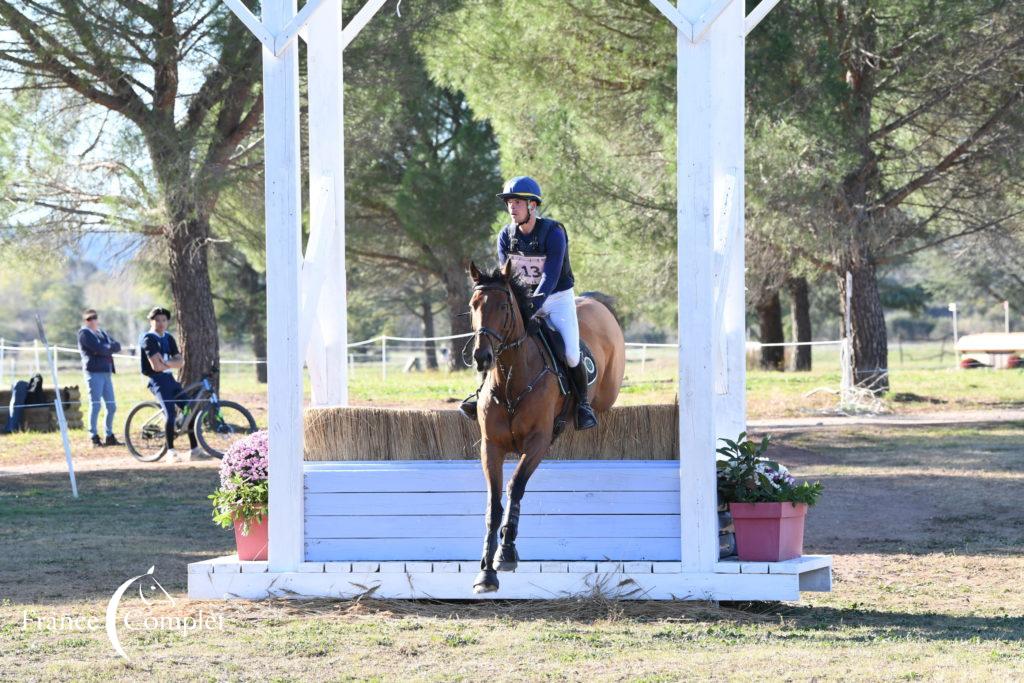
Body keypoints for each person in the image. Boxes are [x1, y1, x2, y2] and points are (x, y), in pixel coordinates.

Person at [460, 176, 598, 430]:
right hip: (523, 299)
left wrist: (537, 303)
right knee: (494, 340)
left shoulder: (554, 232)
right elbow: (506, 277)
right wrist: (518, 304)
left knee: (569, 352)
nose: (512, 208)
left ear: (532, 206)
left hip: (556, 298)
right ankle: (480, 393)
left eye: (517, 203)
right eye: (509, 203)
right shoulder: (506, 235)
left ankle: (583, 405)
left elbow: (551, 274)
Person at [139, 307, 207, 461]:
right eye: (157, 320)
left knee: (190, 410)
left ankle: (194, 450)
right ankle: (171, 451)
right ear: (151, 321)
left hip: (170, 379)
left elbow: (181, 362)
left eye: (164, 320)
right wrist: (171, 363)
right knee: (170, 414)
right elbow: (156, 367)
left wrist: (167, 363)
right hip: (157, 381)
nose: (161, 323)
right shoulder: (148, 339)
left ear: (168, 321)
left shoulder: (168, 338)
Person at [77, 309, 122, 447]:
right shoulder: (84, 333)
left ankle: (109, 436)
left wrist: (106, 347)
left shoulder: (102, 333)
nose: (93, 320)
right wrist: (107, 348)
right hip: (94, 372)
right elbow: (98, 349)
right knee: (95, 405)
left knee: (111, 406)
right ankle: (93, 436)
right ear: (86, 321)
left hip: (106, 372)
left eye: (95, 317)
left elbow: (117, 346)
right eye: (90, 318)